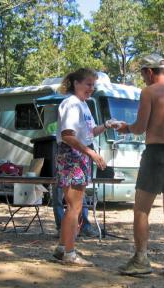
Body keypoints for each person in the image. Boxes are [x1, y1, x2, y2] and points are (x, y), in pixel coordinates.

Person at [117, 54, 164, 276]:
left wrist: (126, 127)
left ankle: (141, 259)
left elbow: (140, 127)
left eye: (143, 74)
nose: (143, 79)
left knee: (141, 209)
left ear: (149, 72)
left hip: (155, 155)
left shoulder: (149, 92)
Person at [52, 68, 118, 266]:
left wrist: (106, 125)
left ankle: (63, 247)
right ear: (76, 84)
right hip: (71, 156)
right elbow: (68, 136)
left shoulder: (84, 105)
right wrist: (91, 153)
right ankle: (70, 253)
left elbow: (88, 133)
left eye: (93, 85)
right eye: (88, 84)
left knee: (75, 206)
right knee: (74, 206)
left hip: (80, 155)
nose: (92, 88)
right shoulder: (71, 104)